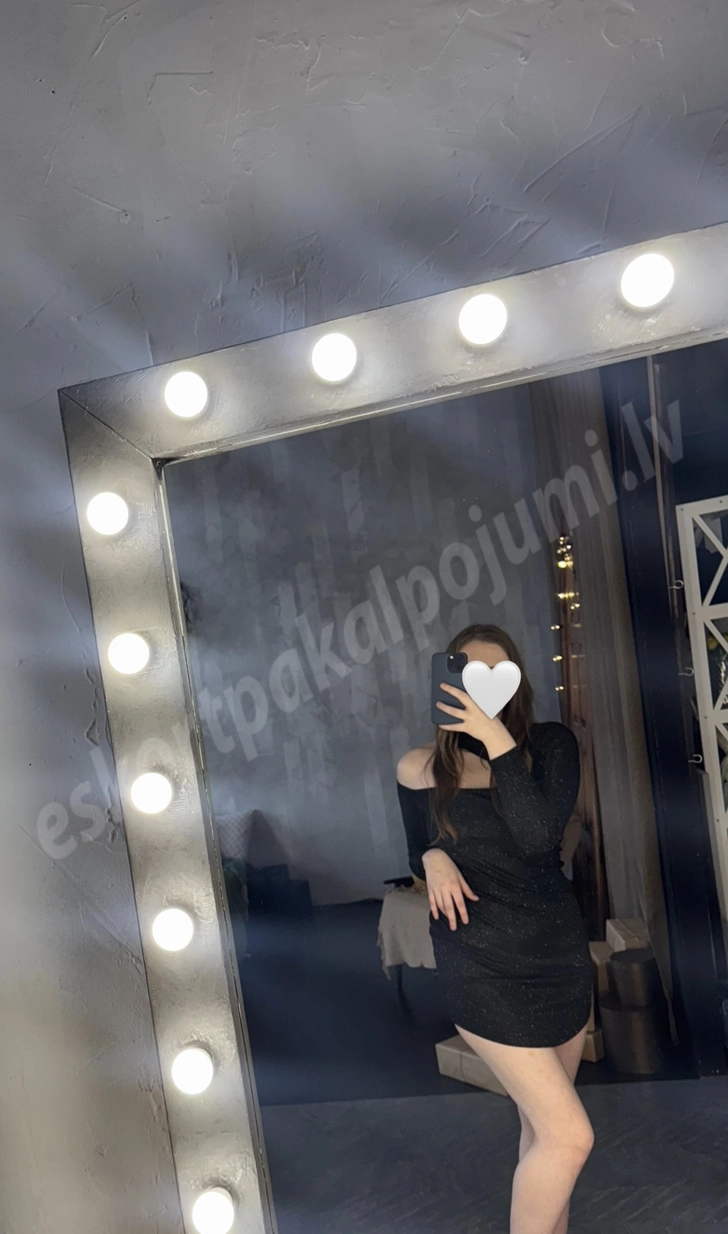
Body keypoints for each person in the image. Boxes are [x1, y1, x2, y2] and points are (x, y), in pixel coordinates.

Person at [396, 623, 594, 1234]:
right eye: (467, 675)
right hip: (481, 964)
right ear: (446, 683)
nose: (482, 688)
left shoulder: (551, 746)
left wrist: (496, 740)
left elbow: (538, 837)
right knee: (570, 1137)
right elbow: (415, 850)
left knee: (542, 1133)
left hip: (557, 956)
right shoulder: (419, 767)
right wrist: (432, 857)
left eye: (496, 675)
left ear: (516, 682)